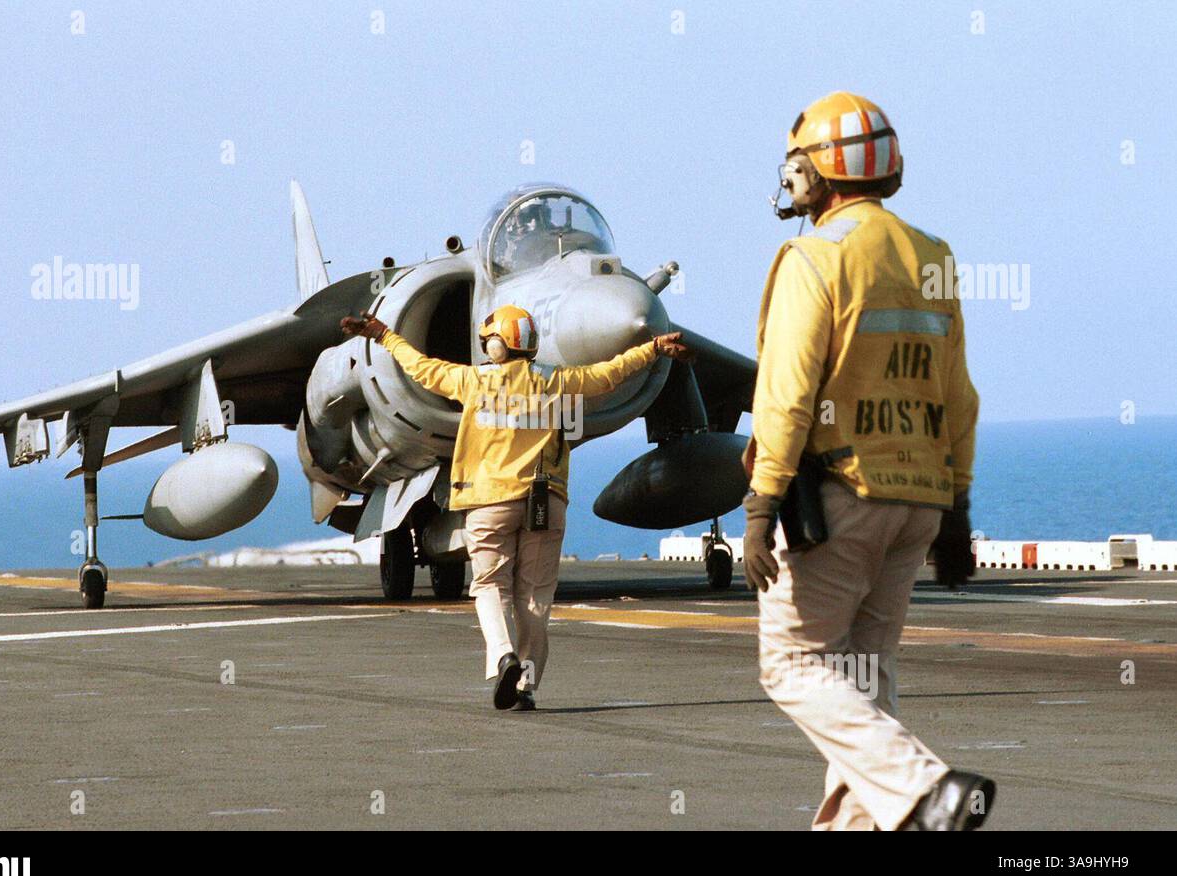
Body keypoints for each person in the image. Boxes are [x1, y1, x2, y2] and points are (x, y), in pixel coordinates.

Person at [743, 92, 993, 830]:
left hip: (841, 499)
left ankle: (927, 788)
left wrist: (760, 505)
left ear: (818, 173)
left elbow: (786, 397)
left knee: (791, 664)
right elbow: (959, 395)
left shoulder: (814, 257)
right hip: (917, 501)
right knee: (863, 684)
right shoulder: (933, 256)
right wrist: (959, 507)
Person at [342, 305, 692, 710]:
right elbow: (608, 373)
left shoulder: (472, 381)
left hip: (489, 500)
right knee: (535, 596)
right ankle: (526, 686)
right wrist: (652, 348)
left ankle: (503, 655)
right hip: (544, 502)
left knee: (490, 585)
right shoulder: (555, 381)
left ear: (495, 345)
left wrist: (383, 333)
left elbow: (422, 368)